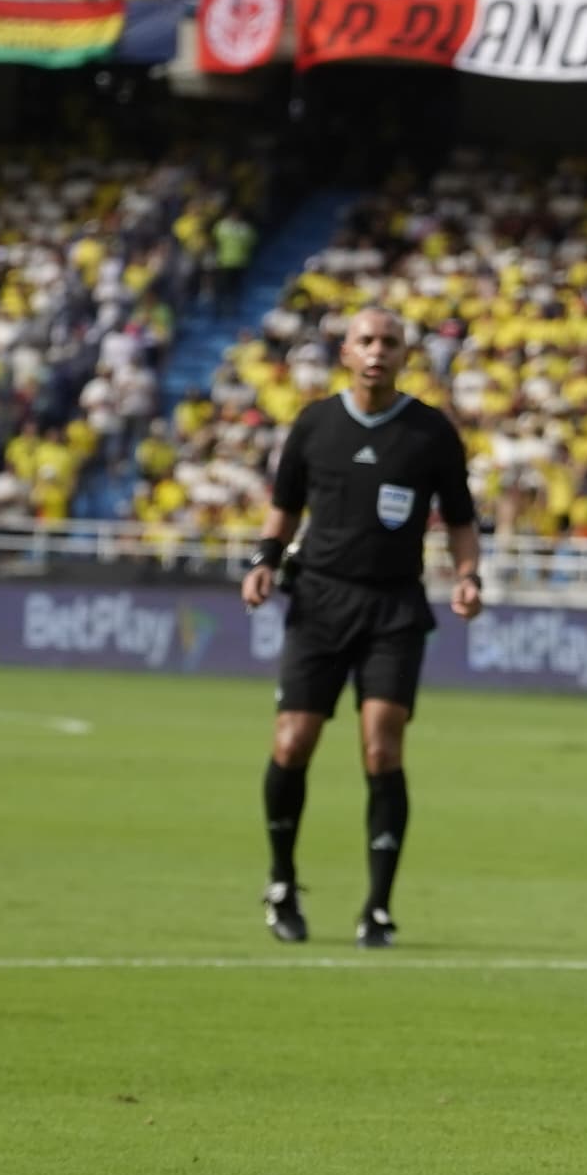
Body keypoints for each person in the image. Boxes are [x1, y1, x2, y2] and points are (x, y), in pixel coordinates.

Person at [238, 306, 484, 947]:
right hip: (318, 602)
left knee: (381, 747)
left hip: (394, 607)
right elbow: (284, 509)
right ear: (346, 352)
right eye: (366, 340)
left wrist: (468, 576)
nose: (378, 351)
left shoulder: (430, 432)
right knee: (292, 742)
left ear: (405, 356)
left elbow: (460, 518)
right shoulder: (315, 424)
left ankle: (377, 906)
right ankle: (282, 882)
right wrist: (264, 563)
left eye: (390, 342)